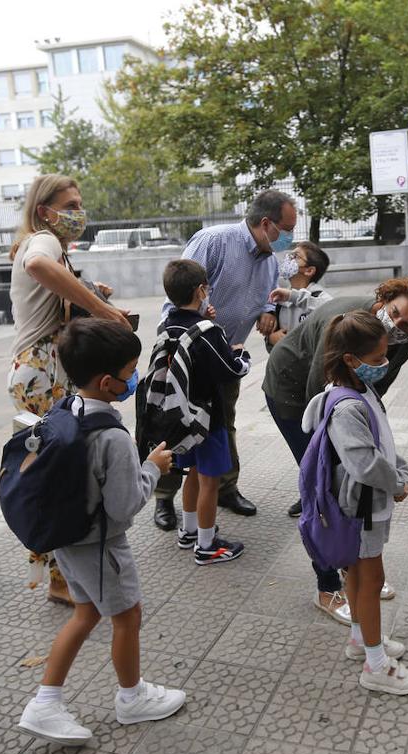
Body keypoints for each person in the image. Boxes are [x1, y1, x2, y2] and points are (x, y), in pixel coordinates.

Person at [17, 318, 184, 745]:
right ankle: (131, 698)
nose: (134, 379)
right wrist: (152, 467)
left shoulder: (66, 407)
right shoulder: (112, 437)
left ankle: (47, 700)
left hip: (69, 539)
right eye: (130, 372)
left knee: (87, 612)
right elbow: (124, 506)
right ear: (109, 382)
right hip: (100, 545)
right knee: (127, 616)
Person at [263, 277, 408, 624]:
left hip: (337, 398)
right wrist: (349, 453)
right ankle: (327, 587)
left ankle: (359, 572)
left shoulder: (403, 339)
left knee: (350, 483)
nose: (397, 326)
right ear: (385, 298)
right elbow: (317, 398)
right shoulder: (346, 323)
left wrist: (371, 433)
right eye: (395, 313)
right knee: (325, 488)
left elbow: (376, 389)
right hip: (292, 389)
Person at [7, 174, 128, 606]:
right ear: (45, 211)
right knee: (56, 473)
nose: (78, 213)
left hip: (39, 371)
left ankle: (60, 573)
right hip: (42, 372)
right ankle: (60, 579)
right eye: (71, 205)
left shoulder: (43, 241)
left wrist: (91, 294)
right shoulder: (44, 240)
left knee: (52, 469)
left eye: (79, 204)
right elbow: (38, 266)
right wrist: (102, 309)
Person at [153, 189, 298, 530]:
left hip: (226, 356)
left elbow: (267, 293)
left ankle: (225, 488)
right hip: (188, 355)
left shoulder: (269, 259)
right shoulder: (215, 241)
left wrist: (268, 310)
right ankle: (164, 495)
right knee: (176, 424)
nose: (291, 236)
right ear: (266, 224)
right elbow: (178, 290)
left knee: (222, 424)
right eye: (287, 228)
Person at [302, 311, 408, 694]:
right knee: (372, 582)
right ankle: (376, 665)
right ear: (350, 360)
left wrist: (398, 469)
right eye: (376, 360)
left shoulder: (360, 391)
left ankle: (359, 640)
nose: (383, 365)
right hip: (363, 508)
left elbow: (382, 442)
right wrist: (397, 483)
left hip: (366, 503)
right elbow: (365, 462)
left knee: (358, 577)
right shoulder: (348, 406)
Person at [158, 259, 251, 565]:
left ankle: (188, 531)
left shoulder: (167, 325)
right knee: (210, 481)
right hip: (207, 419)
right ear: (201, 290)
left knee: (193, 473)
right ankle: (207, 545)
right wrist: (243, 356)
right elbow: (229, 370)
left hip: (181, 417)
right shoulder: (206, 331)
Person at [266, 241, 333, 346]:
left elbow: (332, 308)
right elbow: (273, 346)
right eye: (290, 255)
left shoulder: (317, 297)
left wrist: (292, 296)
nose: (288, 258)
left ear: (309, 271)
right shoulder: (281, 302)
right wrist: (270, 339)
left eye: (295, 256)